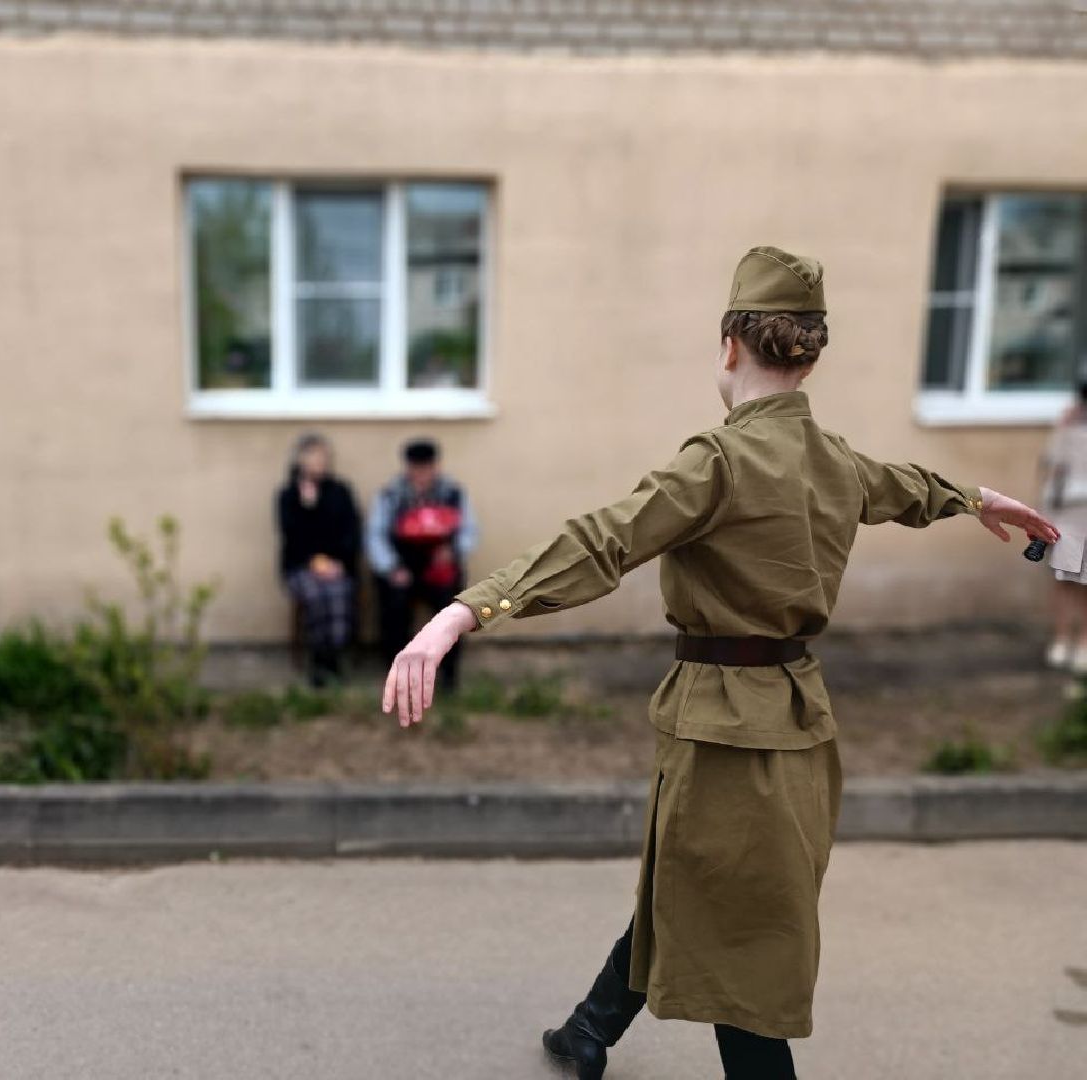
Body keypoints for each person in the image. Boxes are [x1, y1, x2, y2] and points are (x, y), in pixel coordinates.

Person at [380, 246, 1059, 1079]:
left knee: (738, 943)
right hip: (800, 722)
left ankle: (609, 1035)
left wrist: (460, 611)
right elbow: (905, 485)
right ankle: (589, 1030)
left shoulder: (720, 460)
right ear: (810, 355)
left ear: (731, 343)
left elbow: (603, 539)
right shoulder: (835, 459)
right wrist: (978, 498)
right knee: (698, 886)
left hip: (724, 729)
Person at [366, 437, 479, 694]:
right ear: (407, 468)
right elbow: (375, 536)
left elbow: (470, 532)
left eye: (426, 468)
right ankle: (398, 676)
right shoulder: (391, 494)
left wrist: (453, 551)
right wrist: (392, 567)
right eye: (416, 468)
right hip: (401, 567)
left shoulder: (452, 492)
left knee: (454, 611)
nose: (421, 474)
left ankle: (449, 677)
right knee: (394, 608)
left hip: (441, 567)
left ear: (435, 467)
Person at [276, 432, 361, 687]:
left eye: (323, 457)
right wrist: (308, 508)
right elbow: (292, 537)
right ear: (300, 461)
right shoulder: (288, 496)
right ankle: (317, 661)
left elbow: (351, 531)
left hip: (337, 566)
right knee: (315, 594)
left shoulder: (340, 492)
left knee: (338, 592)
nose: (319, 463)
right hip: (300, 567)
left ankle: (332, 658)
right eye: (313, 457)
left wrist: (338, 563)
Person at [1039, 378, 1087, 671]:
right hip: (1070, 514)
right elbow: (1052, 470)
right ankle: (1073, 644)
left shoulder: (1067, 427)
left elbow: (1050, 471)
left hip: (1069, 514)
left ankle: (1068, 642)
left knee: (1068, 581)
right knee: (1071, 581)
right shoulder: (1067, 428)